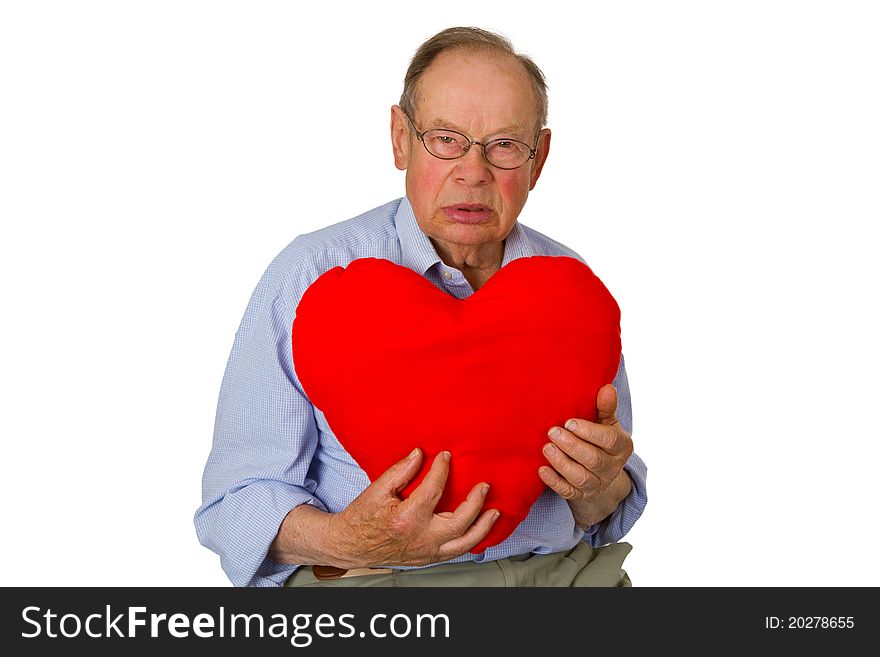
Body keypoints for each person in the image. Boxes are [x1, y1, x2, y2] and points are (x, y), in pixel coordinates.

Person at [194, 26, 647, 587]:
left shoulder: (570, 294)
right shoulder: (310, 276)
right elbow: (233, 505)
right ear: (400, 138)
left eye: (505, 145)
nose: (473, 172)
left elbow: (605, 509)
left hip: (565, 579)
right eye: (446, 138)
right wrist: (344, 539)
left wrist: (601, 486)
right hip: (377, 583)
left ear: (540, 158)